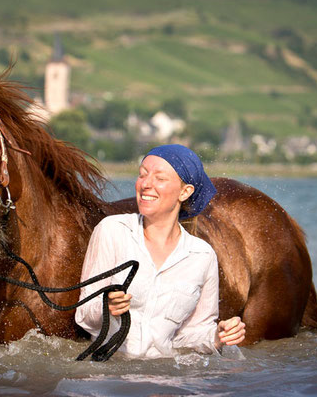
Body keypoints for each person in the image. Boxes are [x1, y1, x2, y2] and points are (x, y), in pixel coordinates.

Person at [75, 144, 245, 359]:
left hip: (165, 378)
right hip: (110, 373)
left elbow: (192, 333)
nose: (146, 184)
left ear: (185, 192)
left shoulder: (203, 255)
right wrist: (106, 307)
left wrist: (218, 337)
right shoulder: (112, 230)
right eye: (142, 175)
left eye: (159, 178)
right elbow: (84, 315)